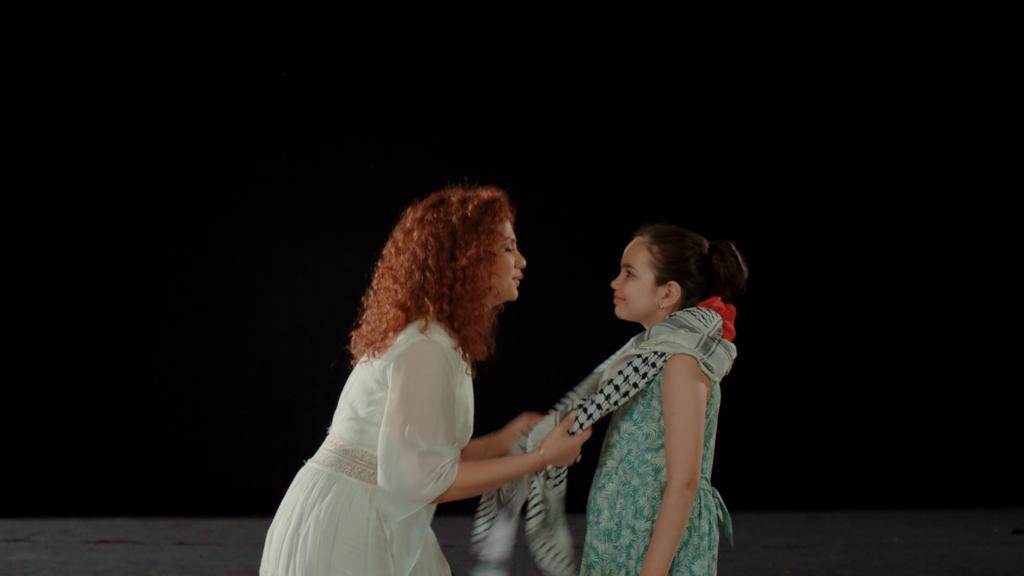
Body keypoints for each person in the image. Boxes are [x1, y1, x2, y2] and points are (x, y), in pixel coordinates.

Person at [259, 185, 593, 576]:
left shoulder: (434, 339)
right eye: (507, 248)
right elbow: (425, 482)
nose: (521, 260)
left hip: (352, 512)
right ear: (466, 260)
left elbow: (418, 459)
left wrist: (504, 441)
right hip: (348, 525)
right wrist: (540, 459)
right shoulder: (426, 347)